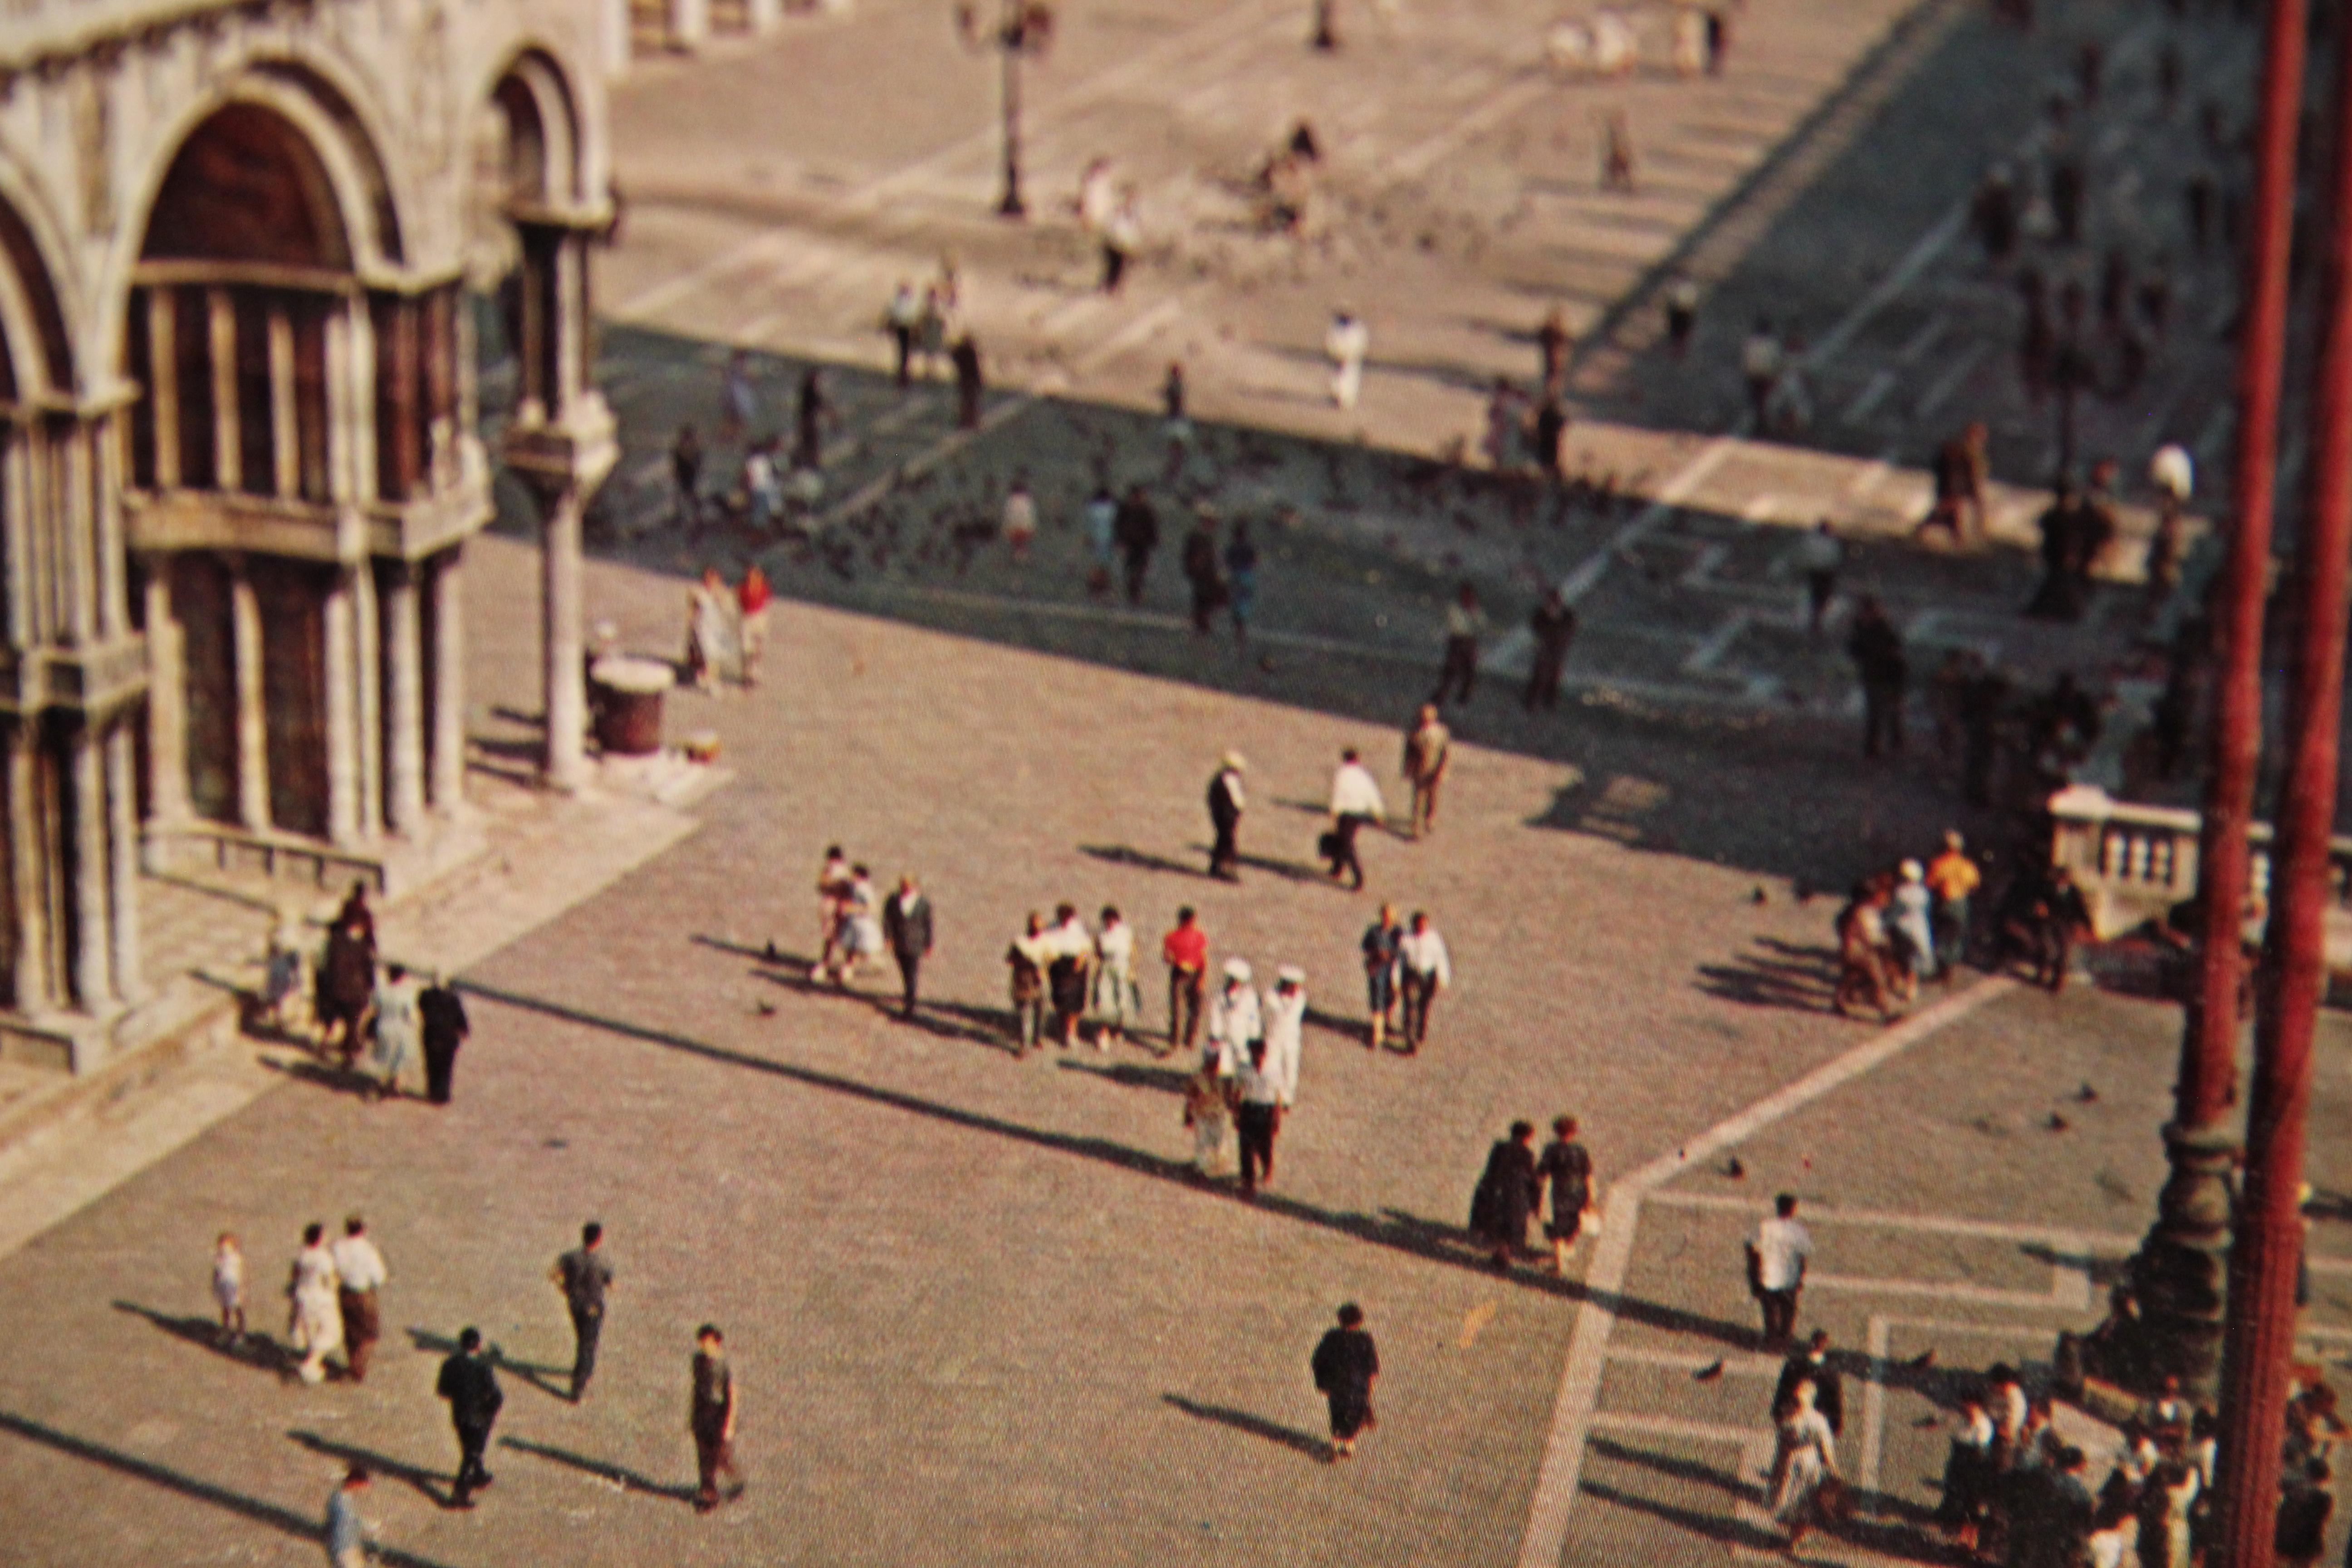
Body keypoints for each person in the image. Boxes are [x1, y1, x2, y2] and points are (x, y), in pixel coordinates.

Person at [1768, 1379, 1841, 1549]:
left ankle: (1794, 1535)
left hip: (1792, 1462)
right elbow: (1826, 1448)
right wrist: (1832, 1469)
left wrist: (1776, 1470)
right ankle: (1797, 1535)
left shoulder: (1789, 1421)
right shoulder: (1819, 1421)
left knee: (1791, 1499)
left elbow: (1782, 1450)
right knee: (1805, 1502)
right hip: (1810, 1462)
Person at [436, 1327, 503, 1509]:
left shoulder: (449, 1365)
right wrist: (491, 1410)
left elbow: (442, 1391)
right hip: (479, 1417)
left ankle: (479, 1474)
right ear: (478, 1346)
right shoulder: (482, 1368)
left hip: (459, 1415)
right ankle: (461, 1492)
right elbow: (495, 1394)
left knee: (469, 1448)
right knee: (471, 1453)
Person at [1311, 1303, 1380, 1460]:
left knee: (1337, 1411)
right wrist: (1371, 1384)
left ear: (1340, 1319)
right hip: (1358, 1385)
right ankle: (1349, 1442)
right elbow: (1371, 1365)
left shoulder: (1332, 1337)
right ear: (1360, 1321)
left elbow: (1318, 1361)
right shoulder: (1365, 1340)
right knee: (1355, 1413)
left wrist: (1322, 1382)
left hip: (1336, 1384)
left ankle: (1336, 1441)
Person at [554, 1222, 613, 1402]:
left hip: (575, 1304)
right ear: (599, 1239)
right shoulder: (602, 1261)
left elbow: (553, 1274)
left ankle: (586, 1370)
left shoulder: (570, 1257)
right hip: (593, 1307)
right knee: (587, 1345)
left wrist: (564, 1288)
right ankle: (579, 1384)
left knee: (583, 1339)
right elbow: (611, 1283)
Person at [1470, 1121, 1541, 1270]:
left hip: (1496, 1189)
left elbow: (1491, 1168)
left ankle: (1499, 1252)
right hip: (1516, 1192)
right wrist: (1536, 1201)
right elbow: (1532, 1178)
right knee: (1512, 1223)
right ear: (1528, 1137)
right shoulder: (1527, 1154)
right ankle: (1503, 1254)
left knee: (1497, 1220)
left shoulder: (1499, 1148)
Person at [1747, 1193, 1813, 1347]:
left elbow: (1751, 1249)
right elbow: (1803, 1257)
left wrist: (1754, 1275)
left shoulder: (1764, 1227)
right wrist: (1800, 1277)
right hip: (1789, 1276)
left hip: (1768, 1276)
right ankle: (1784, 1340)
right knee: (1788, 1312)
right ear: (1793, 1210)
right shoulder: (1798, 1231)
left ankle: (1771, 1340)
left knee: (1770, 1312)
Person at [329, 1217, 387, 1384]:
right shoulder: (368, 1250)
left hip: (344, 1292)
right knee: (370, 1333)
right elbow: (379, 1277)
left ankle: (352, 1363)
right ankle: (358, 1367)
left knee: (350, 1331)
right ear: (363, 1230)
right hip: (363, 1293)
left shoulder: (338, 1247)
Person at [1847, 596, 1907, 758]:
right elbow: (1855, 650)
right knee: (1878, 712)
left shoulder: (1882, 629)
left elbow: (1894, 652)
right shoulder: (1863, 628)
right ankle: (1876, 746)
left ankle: (1889, 743)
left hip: (1887, 676)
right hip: (1875, 676)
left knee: (1887, 711)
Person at [691, 1324, 741, 1512]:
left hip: (718, 1411)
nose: (704, 1346)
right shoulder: (697, 1361)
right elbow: (697, 1388)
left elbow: (732, 1394)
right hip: (702, 1411)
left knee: (719, 1455)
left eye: (708, 1342)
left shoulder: (723, 1365)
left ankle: (735, 1481)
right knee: (704, 1455)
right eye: (702, 1342)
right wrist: (693, 1416)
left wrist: (729, 1424)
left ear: (717, 1342)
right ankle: (708, 1493)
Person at [1937, 1388, 1995, 1549]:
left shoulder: (1983, 1426)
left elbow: (1980, 1454)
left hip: (1973, 1467)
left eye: (1968, 1405)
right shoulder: (1962, 1420)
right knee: (1954, 1494)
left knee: (1970, 1505)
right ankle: (1955, 1531)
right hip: (1959, 1462)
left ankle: (1967, 1541)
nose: (1965, 1408)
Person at [1535, 1116, 1594, 1273]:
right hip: (1578, 1191)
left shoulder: (1551, 1149)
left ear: (1556, 1131)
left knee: (1557, 1227)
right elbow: (1588, 1175)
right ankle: (1567, 1248)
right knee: (1574, 1221)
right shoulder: (1580, 1150)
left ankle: (1559, 1264)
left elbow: (1542, 1172)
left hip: (1559, 1191)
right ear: (1574, 1132)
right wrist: (1591, 1196)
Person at [287, 1222, 343, 1385]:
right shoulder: (324, 1257)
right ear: (319, 1238)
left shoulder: (301, 1255)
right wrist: (338, 1283)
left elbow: (295, 1275)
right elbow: (329, 1281)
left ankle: (313, 1366)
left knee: (311, 1331)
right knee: (331, 1332)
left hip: (303, 1296)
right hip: (321, 1299)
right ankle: (310, 1364)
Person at [317, 912, 375, 1068]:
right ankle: (348, 1056)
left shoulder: (335, 943)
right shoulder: (363, 947)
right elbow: (369, 972)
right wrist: (370, 987)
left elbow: (328, 967)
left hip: (336, 990)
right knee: (352, 1024)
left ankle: (324, 1046)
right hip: (355, 994)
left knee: (333, 1020)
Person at [1325, 747, 1386, 890]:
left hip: (1346, 813)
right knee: (1343, 839)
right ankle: (1337, 867)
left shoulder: (1342, 774)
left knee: (1347, 844)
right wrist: (1378, 813)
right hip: (1358, 814)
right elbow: (1372, 794)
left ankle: (1358, 877)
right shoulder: (1363, 775)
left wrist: (1335, 809)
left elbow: (1338, 792)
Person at [1234, 1037, 1284, 1196]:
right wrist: (1236, 1114)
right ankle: (1248, 1180)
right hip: (1249, 1108)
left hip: (1266, 1110)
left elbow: (1279, 1099)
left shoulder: (1273, 1072)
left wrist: (1277, 1119)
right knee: (1246, 1146)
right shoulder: (1243, 1070)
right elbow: (1237, 1093)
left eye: (1261, 1054)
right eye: (1256, 1054)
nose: (1259, 1058)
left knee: (1265, 1145)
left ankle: (1267, 1167)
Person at [1926, 832, 1979, 975]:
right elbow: (1974, 883)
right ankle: (1951, 965)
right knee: (1957, 935)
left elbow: (1930, 883)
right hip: (1961, 903)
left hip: (1944, 903)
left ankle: (1941, 963)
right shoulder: (1967, 865)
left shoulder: (1939, 864)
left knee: (1941, 934)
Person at [1397, 911, 1450, 1052]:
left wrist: (1443, 977)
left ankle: (1420, 1029)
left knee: (1423, 1007)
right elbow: (1399, 960)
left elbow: (1441, 958)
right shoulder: (1406, 939)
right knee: (1410, 1007)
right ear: (1414, 925)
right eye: (1419, 925)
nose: (1422, 928)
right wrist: (1395, 979)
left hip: (1429, 977)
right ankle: (1411, 1041)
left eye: (1424, 925)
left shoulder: (1434, 939)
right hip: (1411, 976)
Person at [368, 963, 422, 1101]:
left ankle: (381, 1083)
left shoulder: (381, 991)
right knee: (400, 1058)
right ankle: (396, 1086)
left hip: (384, 1027)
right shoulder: (407, 994)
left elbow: (374, 1009)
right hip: (401, 1029)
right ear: (403, 977)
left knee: (385, 1058)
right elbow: (410, 1014)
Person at [882, 875, 933, 1020]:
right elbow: (887, 919)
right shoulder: (893, 900)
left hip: (916, 943)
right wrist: (888, 937)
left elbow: (928, 924)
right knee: (905, 973)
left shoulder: (923, 903)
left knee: (912, 974)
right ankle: (909, 997)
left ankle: (910, 1005)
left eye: (909, 886)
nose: (905, 889)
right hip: (899, 942)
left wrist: (929, 944)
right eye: (904, 886)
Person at [1774, 1329, 1843, 1434]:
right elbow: (1835, 1401)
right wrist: (1836, 1427)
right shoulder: (1831, 1373)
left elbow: (1783, 1392)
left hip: (1794, 1418)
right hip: (1819, 1423)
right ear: (1825, 1346)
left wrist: (1779, 1413)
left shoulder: (1793, 1366)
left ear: (1810, 1343)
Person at [1044, 903, 1091, 1049]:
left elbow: (1087, 947)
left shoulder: (1078, 928)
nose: (1064, 921)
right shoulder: (1052, 927)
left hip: (1075, 964)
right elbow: (1045, 944)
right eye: (1062, 917)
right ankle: (1061, 1030)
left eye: (1067, 918)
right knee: (1059, 999)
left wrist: (1080, 962)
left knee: (1074, 1002)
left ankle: (1072, 1033)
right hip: (1058, 964)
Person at [418, 971, 469, 1106]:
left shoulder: (425, 995)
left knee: (431, 1063)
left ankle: (432, 1090)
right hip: (448, 1037)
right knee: (446, 1066)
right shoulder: (453, 999)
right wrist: (464, 1029)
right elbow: (460, 1016)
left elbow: (422, 1009)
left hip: (431, 1034)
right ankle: (443, 1093)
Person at [1162, 906, 1208, 1054]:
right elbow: (1166, 957)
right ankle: (1175, 1038)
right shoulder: (1171, 936)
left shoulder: (1199, 936)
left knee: (1195, 1008)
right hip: (1180, 973)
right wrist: (1175, 960)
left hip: (1195, 973)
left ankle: (1190, 1038)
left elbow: (1203, 958)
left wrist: (1202, 978)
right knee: (1177, 1009)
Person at [1433, 583, 1486, 707]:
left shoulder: (1476, 610)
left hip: (1470, 642)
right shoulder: (1454, 609)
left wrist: (1473, 613)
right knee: (1451, 671)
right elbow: (1457, 626)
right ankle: (1441, 697)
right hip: (1458, 642)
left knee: (1470, 672)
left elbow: (1482, 626)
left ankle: (1464, 697)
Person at [1205, 958, 1262, 1076]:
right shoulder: (1220, 995)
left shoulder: (1249, 997)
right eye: (1231, 980)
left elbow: (1253, 1017)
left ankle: (1238, 1090)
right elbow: (1216, 1015)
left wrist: (1255, 1036)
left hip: (1243, 1037)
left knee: (1243, 1066)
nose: (1233, 983)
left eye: (1236, 981)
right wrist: (1215, 1033)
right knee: (1224, 1068)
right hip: (1225, 1037)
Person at [1089, 906, 1136, 1049]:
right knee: (1105, 999)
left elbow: (1133, 950)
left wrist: (1133, 969)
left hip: (1122, 965)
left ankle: (1119, 1029)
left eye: (1112, 920)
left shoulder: (1126, 932)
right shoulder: (1101, 934)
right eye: (1106, 921)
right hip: (1107, 966)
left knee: (1122, 998)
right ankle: (1104, 1031)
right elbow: (1097, 953)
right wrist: (1095, 970)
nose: (1109, 923)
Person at [1401, 706, 1450, 838]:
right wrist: (1407, 768)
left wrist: (1441, 771)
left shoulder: (1441, 733)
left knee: (1432, 796)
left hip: (1435, 769)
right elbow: (1409, 752)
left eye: (1427, 719)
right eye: (1422, 719)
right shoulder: (1414, 732)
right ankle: (1416, 827)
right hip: (1420, 770)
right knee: (1418, 799)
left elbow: (1445, 754)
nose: (1424, 722)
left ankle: (1430, 817)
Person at [1183, 1051, 1235, 1176]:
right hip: (1202, 1114)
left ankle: (1218, 1168)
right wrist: (1188, 1114)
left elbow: (1230, 1096)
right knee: (1203, 1142)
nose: (1216, 1065)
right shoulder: (1197, 1078)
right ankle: (1203, 1170)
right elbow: (1191, 1098)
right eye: (1214, 1062)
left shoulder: (1223, 1079)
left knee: (1220, 1141)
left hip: (1218, 1114)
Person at [1263, 965, 1306, 1112]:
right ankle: (1270, 1096)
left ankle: (1286, 1099)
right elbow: (1272, 1010)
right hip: (1274, 1036)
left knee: (1290, 1069)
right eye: (1293, 985)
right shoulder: (1271, 996)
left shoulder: (1300, 997)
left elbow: (1293, 1010)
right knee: (1271, 1066)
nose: (1296, 988)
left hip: (1291, 1038)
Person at [1361, 904, 1404, 1051]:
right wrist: (1376, 954)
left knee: (1391, 998)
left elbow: (1404, 951)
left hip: (1393, 970)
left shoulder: (1399, 934)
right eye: (1385, 916)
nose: (1387, 919)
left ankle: (1387, 1022)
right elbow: (1365, 947)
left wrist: (1391, 954)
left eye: (1390, 916)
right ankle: (1377, 1034)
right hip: (1377, 969)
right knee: (1377, 1000)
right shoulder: (1374, 931)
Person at [1006, 912, 1049, 1057]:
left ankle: (1038, 1037)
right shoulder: (1020, 943)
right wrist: (1026, 962)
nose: (1038, 930)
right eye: (1035, 926)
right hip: (1024, 981)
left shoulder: (1046, 942)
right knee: (1025, 1013)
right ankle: (1024, 1044)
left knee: (1041, 1011)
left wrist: (1044, 966)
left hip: (1041, 981)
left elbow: (1052, 958)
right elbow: (1010, 959)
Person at [1526, 590, 1578, 710]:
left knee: (1554, 676)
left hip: (1558, 650)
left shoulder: (1567, 616)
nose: (1549, 608)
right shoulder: (1542, 615)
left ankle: (1550, 700)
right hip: (1545, 650)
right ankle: (1533, 701)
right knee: (1540, 674)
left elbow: (1570, 629)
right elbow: (1536, 626)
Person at [835, 864, 884, 988]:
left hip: (862, 923)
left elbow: (872, 907)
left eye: (853, 874)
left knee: (858, 947)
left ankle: (849, 968)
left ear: (859, 876)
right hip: (853, 921)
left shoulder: (864, 889)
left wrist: (851, 908)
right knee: (851, 947)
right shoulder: (855, 886)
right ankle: (848, 969)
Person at [686, 567, 734, 691]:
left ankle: (712, 680)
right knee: (705, 653)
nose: (710, 581)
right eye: (707, 578)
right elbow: (693, 610)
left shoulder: (723, 592)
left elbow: (729, 611)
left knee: (716, 655)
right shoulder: (698, 592)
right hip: (703, 627)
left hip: (717, 626)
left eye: (713, 578)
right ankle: (705, 678)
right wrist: (691, 624)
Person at [1181, 507, 1226, 633]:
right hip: (1202, 571)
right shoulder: (1198, 536)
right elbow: (1191, 554)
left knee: (1205, 595)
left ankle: (1201, 619)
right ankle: (1202, 620)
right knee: (1203, 595)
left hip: (1207, 571)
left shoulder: (1208, 536)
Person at [1892, 860, 1936, 985]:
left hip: (1902, 926)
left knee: (1898, 954)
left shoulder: (1900, 892)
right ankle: (1912, 985)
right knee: (1916, 957)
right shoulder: (1924, 893)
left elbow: (1895, 912)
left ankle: (1898, 978)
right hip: (1919, 926)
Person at [1114, 484, 1159, 605]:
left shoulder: (1145, 510)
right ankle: (1134, 591)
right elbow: (1119, 525)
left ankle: (1135, 591)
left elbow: (1151, 528)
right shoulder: (1130, 508)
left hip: (1141, 544)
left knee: (1138, 569)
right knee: (1134, 569)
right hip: (1134, 544)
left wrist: (1153, 541)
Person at [813, 846, 853, 978]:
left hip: (839, 904)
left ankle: (841, 964)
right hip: (839, 904)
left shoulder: (839, 871)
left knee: (838, 936)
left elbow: (822, 886)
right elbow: (821, 885)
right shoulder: (842, 870)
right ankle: (842, 964)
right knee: (834, 935)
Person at [1206, 751, 1245, 881]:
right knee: (1227, 842)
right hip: (1226, 816)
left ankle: (1217, 865)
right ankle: (1225, 868)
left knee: (1223, 840)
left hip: (1228, 815)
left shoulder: (1227, 780)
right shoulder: (1225, 781)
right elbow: (1229, 800)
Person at [324, 1465, 373, 1568]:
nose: (361, 1490)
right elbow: (341, 1525)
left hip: (350, 1546)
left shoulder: (344, 1497)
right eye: (361, 1486)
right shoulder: (339, 1500)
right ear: (355, 1483)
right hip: (343, 1548)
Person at [1741, 319, 1783, 430]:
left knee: (1755, 399)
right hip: (1765, 376)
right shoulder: (1772, 343)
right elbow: (1776, 361)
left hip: (1752, 376)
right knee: (1764, 400)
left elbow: (1746, 359)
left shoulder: (1751, 342)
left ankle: (1757, 420)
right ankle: (1762, 422)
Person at [1223, 519, 1259, 643]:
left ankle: (1238, 632)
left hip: (1236, 576)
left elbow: (1227, 562)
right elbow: (1255, 562)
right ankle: (1242, 632)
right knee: (1244, 605)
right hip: (1248, 577)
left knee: (1236, 605)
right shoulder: (1250, 547)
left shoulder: (1232, 547)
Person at [1326, 310, 1369, 410]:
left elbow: (1360, 345)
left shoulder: (1357, 330)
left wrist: (1350, 356)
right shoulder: (1336, 329)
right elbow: (1331, 344)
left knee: (1349, 378)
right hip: (1340, 359)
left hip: (1351, 360)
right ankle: (1338, 398)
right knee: (1339, 378)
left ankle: (1345, 400)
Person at [737, 565, 772, 687]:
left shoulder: (764, 588)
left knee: (758, 650)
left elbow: (766, 603)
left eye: (756, 575)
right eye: (751, 575)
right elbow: (737, 604)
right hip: (746, 619)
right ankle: (745, 673)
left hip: (760, 618)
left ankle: (753, 674)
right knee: (746, 649)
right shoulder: (742, 588)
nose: (753, 577)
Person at [1083, 482, 1118, 598]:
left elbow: (1089, 525)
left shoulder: (1092, 508)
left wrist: (1088, 538)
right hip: (1109, 539)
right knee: (1105, 565)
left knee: (1097, 563)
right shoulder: (1114, 509)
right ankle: (1102, 586)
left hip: (1096, 538)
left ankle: (1095, 586)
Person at [884, 281, 923, 387]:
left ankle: (904, 373)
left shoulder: (909, 302)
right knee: (904, 352)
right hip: (902, 329)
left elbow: (915, 315)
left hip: (908, 329)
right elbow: (892, 314)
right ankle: (904, 374)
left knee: (905, 353)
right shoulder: (899, 302)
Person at [212, 1232, 246, 1345]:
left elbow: (241, 1274)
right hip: (224, 1287)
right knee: (226, 1309)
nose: (223, 1247)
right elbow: (217, 1273)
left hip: (234, 1287)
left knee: (238, 1310)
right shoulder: (219, 1258)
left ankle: (240, 1334)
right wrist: (215, 1286)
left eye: (226, 1244)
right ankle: (225, 1331)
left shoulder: (236, 1258)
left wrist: (242, 1288)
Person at [1002, 475, 1038, 564]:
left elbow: (1008, 517)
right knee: (1022, 538)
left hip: (1013, 531)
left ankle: (1018, 555)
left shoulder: (1010, 501)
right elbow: (1032, 516)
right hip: (1027, 530)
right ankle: (1022, 554)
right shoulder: (1028, 500)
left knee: (1016, 537)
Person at [951, 332, 984, 430]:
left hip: (964, 379)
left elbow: (954, 355)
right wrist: (979, 380)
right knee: (971, 401)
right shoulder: (970, 353)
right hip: (970, 379)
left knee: (966, 400)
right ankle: (970, 421)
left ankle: (965, 420)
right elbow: (975, 368)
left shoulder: (960, 353)